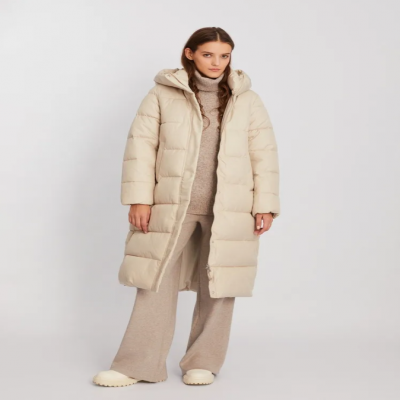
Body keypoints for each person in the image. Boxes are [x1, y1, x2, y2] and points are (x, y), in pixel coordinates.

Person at [93, 26, 280, 387]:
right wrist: (140, 198)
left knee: (220, 285)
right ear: (190, 53)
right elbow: (140, 147)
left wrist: (265, 205)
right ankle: (138, 365)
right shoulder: (162, 94)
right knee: (154, 281)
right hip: (172, 205)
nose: (217, 62)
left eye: (224, 55)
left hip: (231, 208)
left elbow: (264, 155)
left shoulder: (248, 100)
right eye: (208, 54)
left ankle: (203, 362)